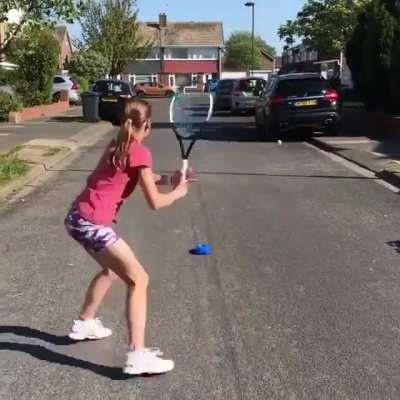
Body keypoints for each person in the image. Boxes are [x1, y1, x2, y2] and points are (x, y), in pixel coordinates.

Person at [64, 99, 190, 375]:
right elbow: (155, 203)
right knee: (139, 279)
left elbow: (130, 174)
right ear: (147, 125)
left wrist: (169, 179)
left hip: (76, 218)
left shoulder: (117, 144)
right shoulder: (140, 152)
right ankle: (137, 355)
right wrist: (179, 193)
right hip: (95, 224)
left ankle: (85, 321)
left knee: (112, 270)